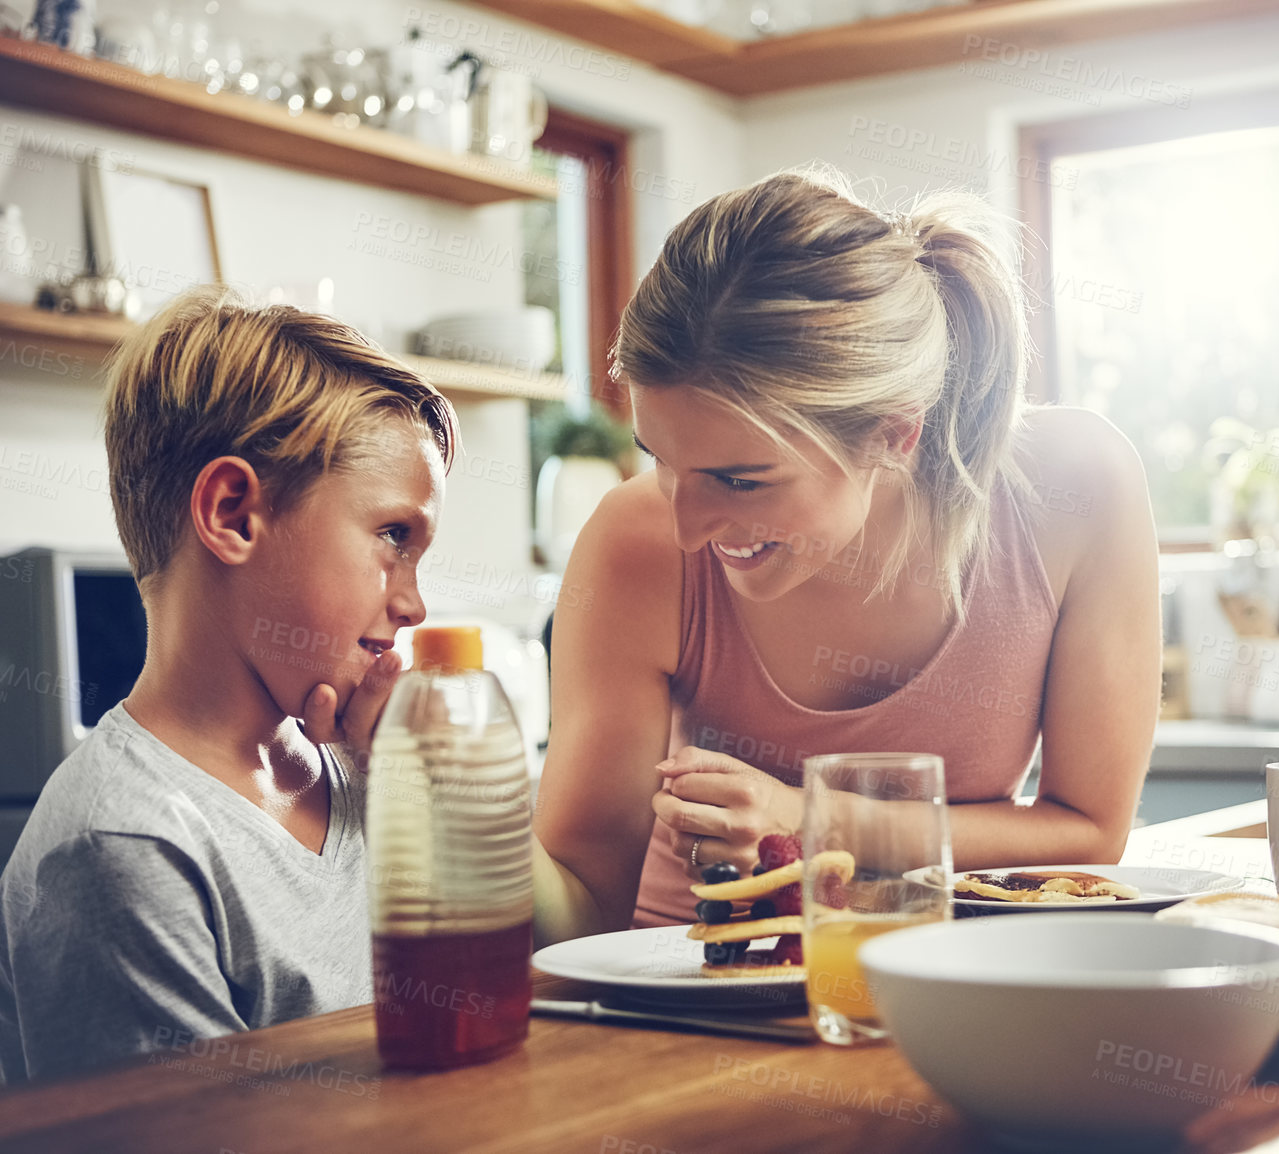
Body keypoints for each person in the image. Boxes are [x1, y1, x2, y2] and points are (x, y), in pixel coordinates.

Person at [533, 167, 1161, 936]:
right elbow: (579, 913)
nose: (688, 524)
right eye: (660, 459)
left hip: (952, 975)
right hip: (690, 983)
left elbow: (1090, 835)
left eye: (740, 479)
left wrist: (808, 817)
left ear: (895, 434)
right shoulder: (633, 542)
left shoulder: (1074, 490)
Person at [0, 287, 456, 1082]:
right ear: (234, 513)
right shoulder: (127, 848)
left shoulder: (360, 768)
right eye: (393, 537)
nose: (414, 602)